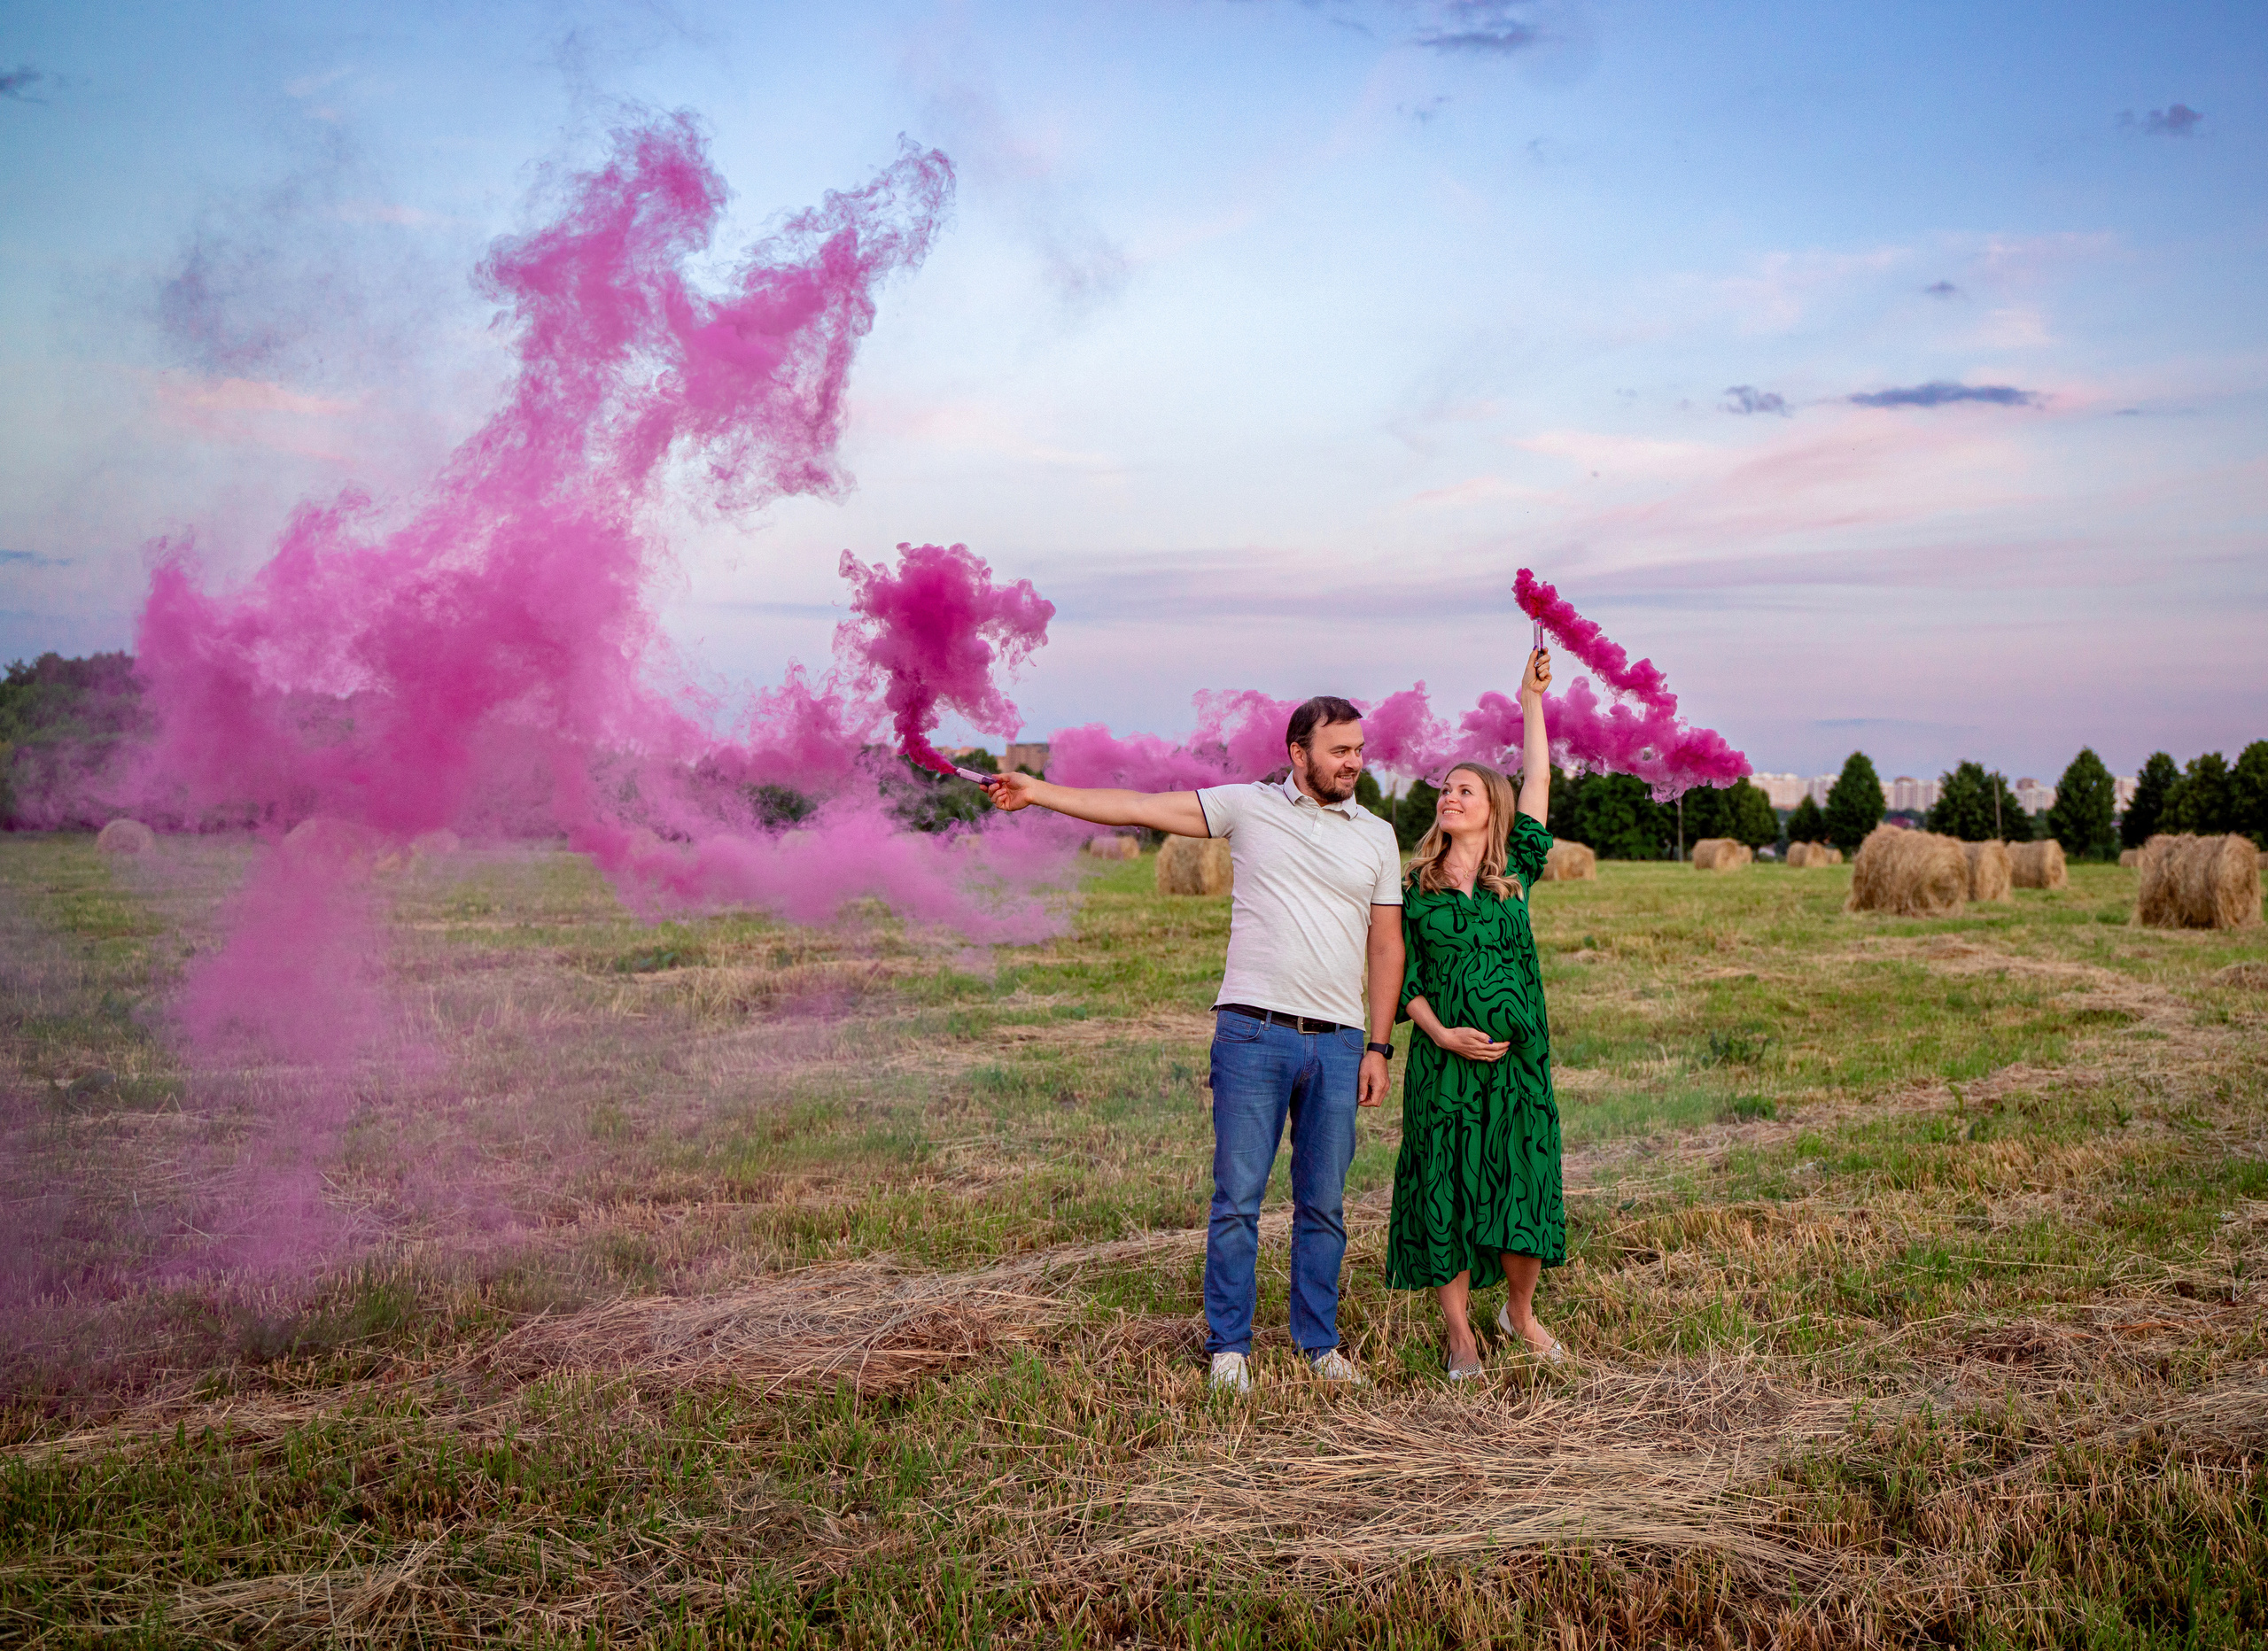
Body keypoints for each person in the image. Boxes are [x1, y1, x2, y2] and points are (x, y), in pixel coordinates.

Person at [984, 697, 1404, 1391]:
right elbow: (1136, 808)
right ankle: (1230, 1348)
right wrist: (1039, 792)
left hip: (1339, 1041)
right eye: (1339, 750)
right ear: (1299, 754)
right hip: (1252, 1032)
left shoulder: (1377, 836)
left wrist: (1379, 1047)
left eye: (1358, 748)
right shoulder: (1247, 807)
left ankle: (1318, 1344)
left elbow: (1386, 943)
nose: (1353, 761)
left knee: (1324, 1205)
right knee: (1238, 1197)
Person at [1385, 645, 1569, 1376]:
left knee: (1523, 1182)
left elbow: (1541, 779)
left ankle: (1518, 1312)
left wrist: (1531, 702)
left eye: (1466, 790)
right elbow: (1401, 977)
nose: (1450, 797)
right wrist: (1440, 1033)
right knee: (1447, 1187)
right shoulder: (1413, 886)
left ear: (1492, 806)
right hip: (1443, 1062)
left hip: (1519, 1066)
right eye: (1445, 790)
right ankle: (1460, 1332)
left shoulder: (1515, 875)